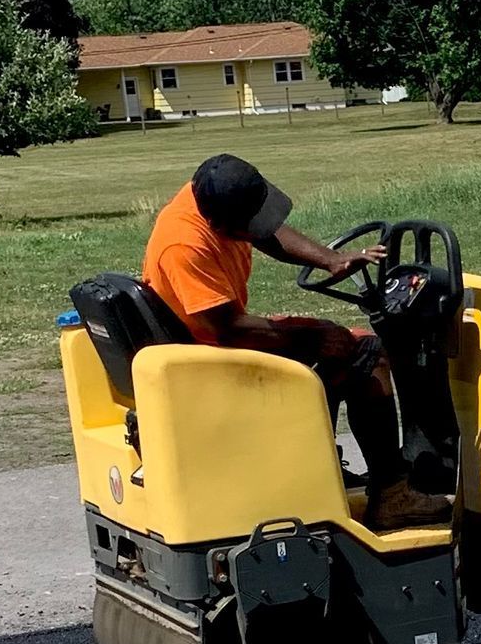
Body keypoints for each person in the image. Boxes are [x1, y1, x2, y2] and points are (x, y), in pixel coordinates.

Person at [140, 153, 450, 531]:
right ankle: (392, 497)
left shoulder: (204, 198)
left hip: (211, 345)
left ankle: (328, 469)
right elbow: (229, 329)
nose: (258, 227)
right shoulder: (184, 244)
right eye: (248, 223)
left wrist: (330, 260)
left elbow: (263, 229)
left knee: (342, 343)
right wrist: (314, 335)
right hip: (216, 363)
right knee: (365, 355)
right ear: (223, 225)